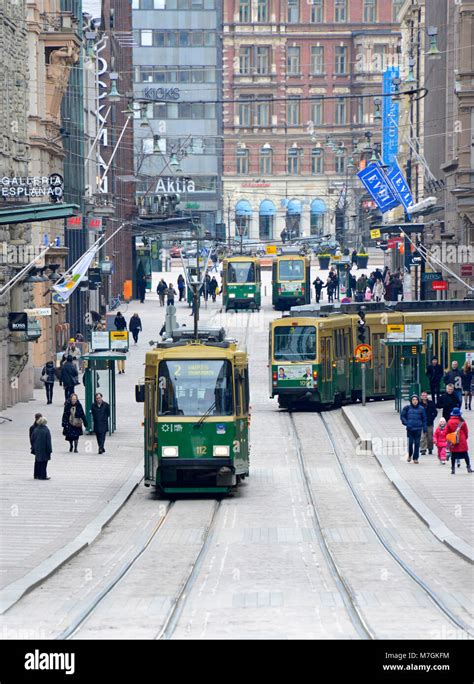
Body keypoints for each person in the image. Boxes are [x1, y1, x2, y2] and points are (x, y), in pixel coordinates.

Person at [400, 394, 427, 464]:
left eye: (416, 400)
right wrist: (406, 423)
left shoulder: (421, 409)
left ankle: (415, 458)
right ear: (411, 401)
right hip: (410, 429)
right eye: (413, 400)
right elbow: (402, 416)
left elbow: (424, 419)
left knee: (417, 444)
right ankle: (410, 455)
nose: (415, 401)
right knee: (410, 443)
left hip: (418, 429)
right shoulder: (407, 408)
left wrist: (425, 428)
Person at [446, 407, 472, 474]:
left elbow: (447, 432)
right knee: (465, 454)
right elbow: (466, 431)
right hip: (462, 440)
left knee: (453, 455)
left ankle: (453, 469)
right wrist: (465, 438)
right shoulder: (462, 421)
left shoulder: (449, 421)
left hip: (454, 441)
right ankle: (468, 467)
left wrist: (449, 439)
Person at [419, 390, 437, 455]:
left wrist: (432, 418)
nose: (424, 397)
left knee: (430, 436)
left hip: (430, 422)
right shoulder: (419, 404)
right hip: (422, 423)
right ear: (421, 397)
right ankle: (423, 449)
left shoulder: (431, 403)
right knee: (422, 436)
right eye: (423, 395)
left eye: (425, 395)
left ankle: (430, 448)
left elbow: (435, 412)